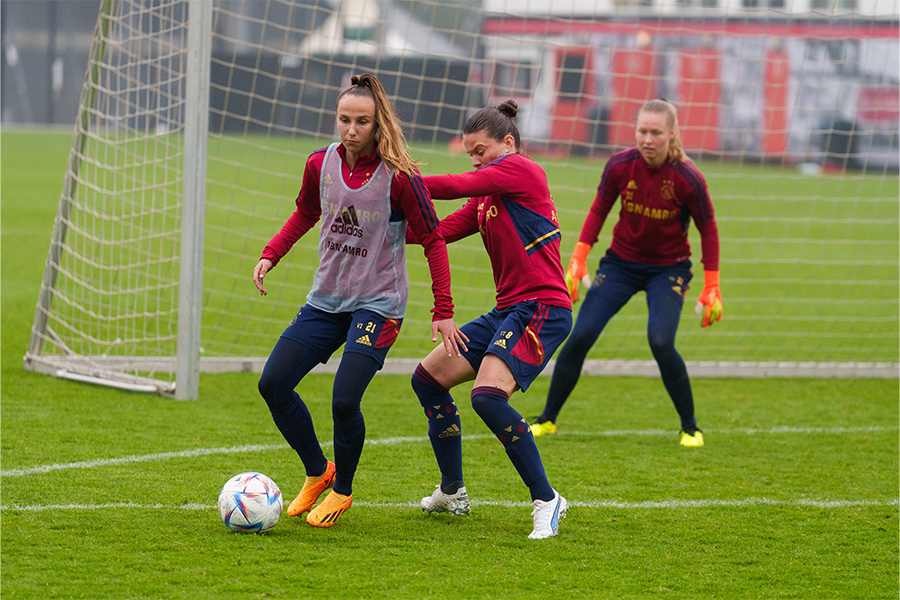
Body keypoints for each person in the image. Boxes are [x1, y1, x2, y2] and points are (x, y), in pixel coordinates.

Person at [253, 73, 466, 528]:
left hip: (378, 305)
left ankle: (343, 489)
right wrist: (271, 254)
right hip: (326, 300)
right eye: (344, 120)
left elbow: (432, 240)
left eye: (362, 122)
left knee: (344, 400)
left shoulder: (401, 178)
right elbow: (306, 213)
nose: (351, 130)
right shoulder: (320, 163)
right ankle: (318, 471)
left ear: (378, 124)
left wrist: (443, 310)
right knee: (272, 384)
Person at [407, 100, 573, 539]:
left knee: (487, 398)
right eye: (471, 154)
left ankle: (547, 500)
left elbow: (456, 184)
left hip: (543, 307)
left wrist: (401, 182)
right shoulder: (486, 197)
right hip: (509, 311)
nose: (476, 160)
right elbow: (436, 231)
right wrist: (369, 221)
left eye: (481, 151)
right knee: (427, 379)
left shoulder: (523, 171)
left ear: (508, 142)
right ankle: (453, 491)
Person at [529, 98, 722, 447]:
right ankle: (547, 419)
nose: (647, 139)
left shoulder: (688, 178)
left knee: (661, 341)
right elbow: (599, 209)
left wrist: (712, 285)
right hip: (620, 264)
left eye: (656, 133)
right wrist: (578, 258)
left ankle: (690, 426)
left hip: (669, 269)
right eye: (642, 131)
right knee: (581, 335)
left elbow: (708, 229)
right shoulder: (620, 165)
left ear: (672, 134)